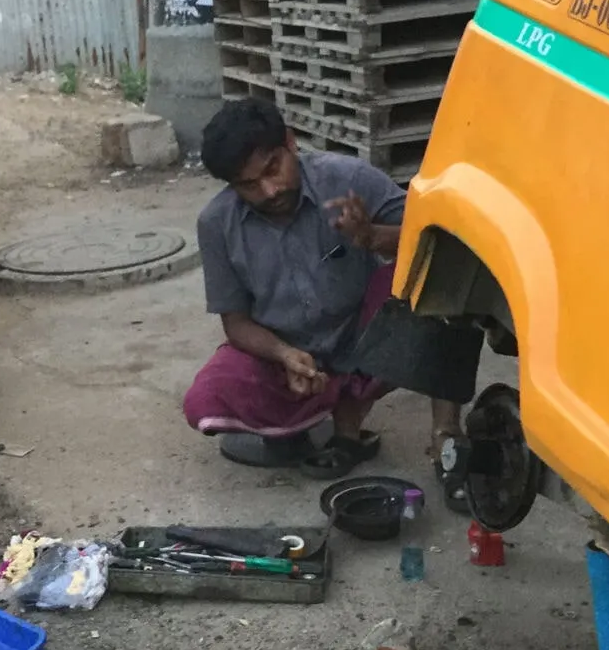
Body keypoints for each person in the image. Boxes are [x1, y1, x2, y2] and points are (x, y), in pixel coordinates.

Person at [182, 98, 480, 499]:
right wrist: (285, 355)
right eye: (248, 185)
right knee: (207, 398)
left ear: (290, 143)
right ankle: (306, 419)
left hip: (364, 341)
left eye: (273, 169)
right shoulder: (216, 224)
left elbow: (441, 238)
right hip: (293, 355)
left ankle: (442, 434)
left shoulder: (346, 178)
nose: (269, 190)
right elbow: (235, 323)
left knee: (442, 276)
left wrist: (372, 236)